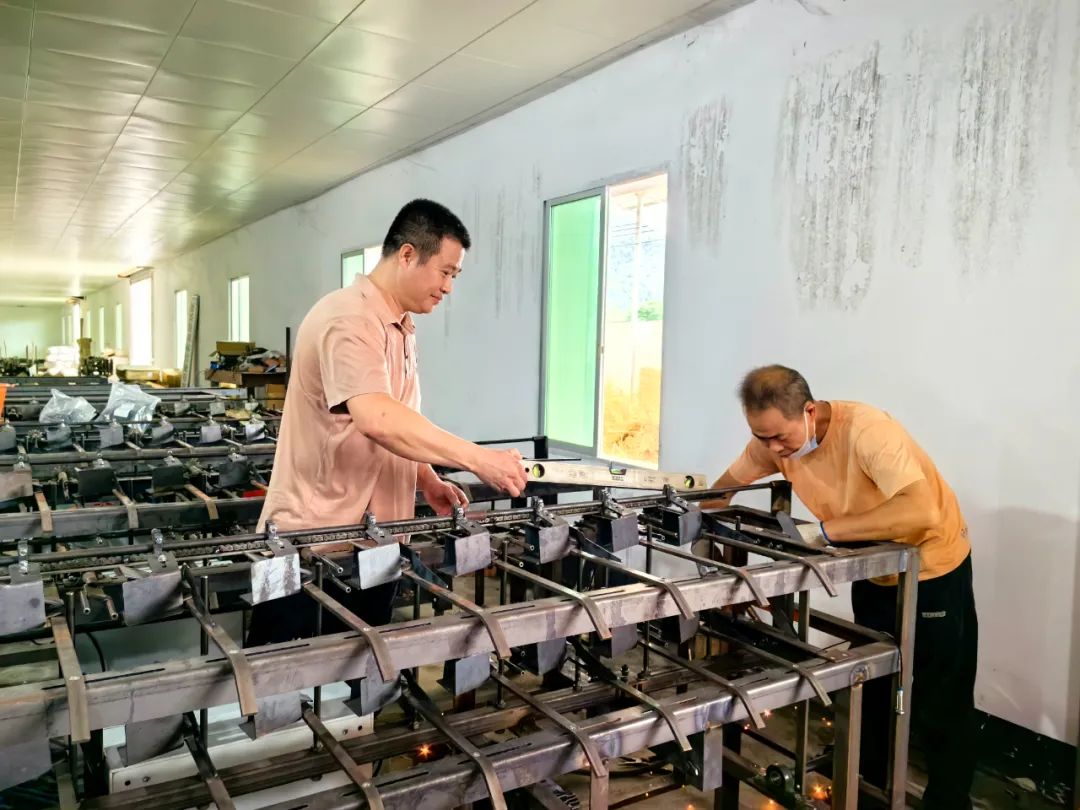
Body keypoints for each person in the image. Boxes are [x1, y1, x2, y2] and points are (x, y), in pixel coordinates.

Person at [247, 198, 528, 645]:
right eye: (445, 272)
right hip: (307, 545)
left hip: (375, 541)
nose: (448, 288)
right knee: (274, 673)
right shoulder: (348, 317)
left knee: (359, 667)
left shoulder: (399, 326)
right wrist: (477, 459)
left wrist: (427, 479)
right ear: (408, 255)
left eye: (455, 276)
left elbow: (399, 422)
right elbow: (375, 417)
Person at [708, 365, 977, 810]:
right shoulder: (775, 440)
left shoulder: (868, 432)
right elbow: (725, 488)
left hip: (932, 571)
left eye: (779, 437)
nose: (773, 449)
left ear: (809, 411)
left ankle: (949, 802)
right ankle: (865, 794)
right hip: (873, 568)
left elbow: (922, 511)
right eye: (761, 437)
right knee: (871, 688)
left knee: (940, 701)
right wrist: (694, 504)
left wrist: (825, 533)